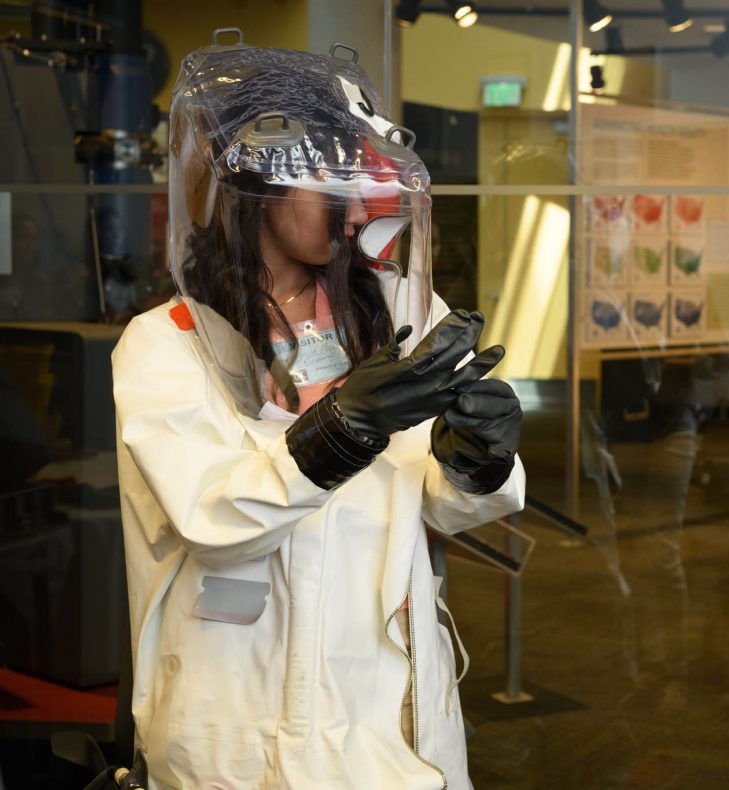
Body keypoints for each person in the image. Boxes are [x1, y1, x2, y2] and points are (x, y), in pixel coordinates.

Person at [113, 40, 524, 788]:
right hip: (239, 714)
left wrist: (478, 458)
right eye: (328, 177)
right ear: (251, 183)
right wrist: (342, 430)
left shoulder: (397, 315)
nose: (355, 203)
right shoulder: (167, 345)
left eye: (360, 174)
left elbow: (442, 506)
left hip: (385, 709)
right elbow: (214, 523)